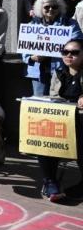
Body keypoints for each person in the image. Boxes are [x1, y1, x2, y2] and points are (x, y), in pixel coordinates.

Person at [39, 38, 83, 202]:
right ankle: (50, 181)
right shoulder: (58, 73)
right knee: (43, 139)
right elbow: (53, 98)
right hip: (62, 120)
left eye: (75, 52)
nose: (69, 55)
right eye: (65, 52)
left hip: (80, 121)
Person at [22, 0, 83, 96]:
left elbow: (78, 43)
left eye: (54, 7)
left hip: (61, 71)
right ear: (40, 8)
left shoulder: (70, 23)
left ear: (60, 8)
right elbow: (24, 48)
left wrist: (58, 49)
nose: (50, 9)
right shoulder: (32, 25)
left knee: (59, 104)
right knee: (39, 104)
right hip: (38, 72)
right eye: (47, 7)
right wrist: (32, 57)